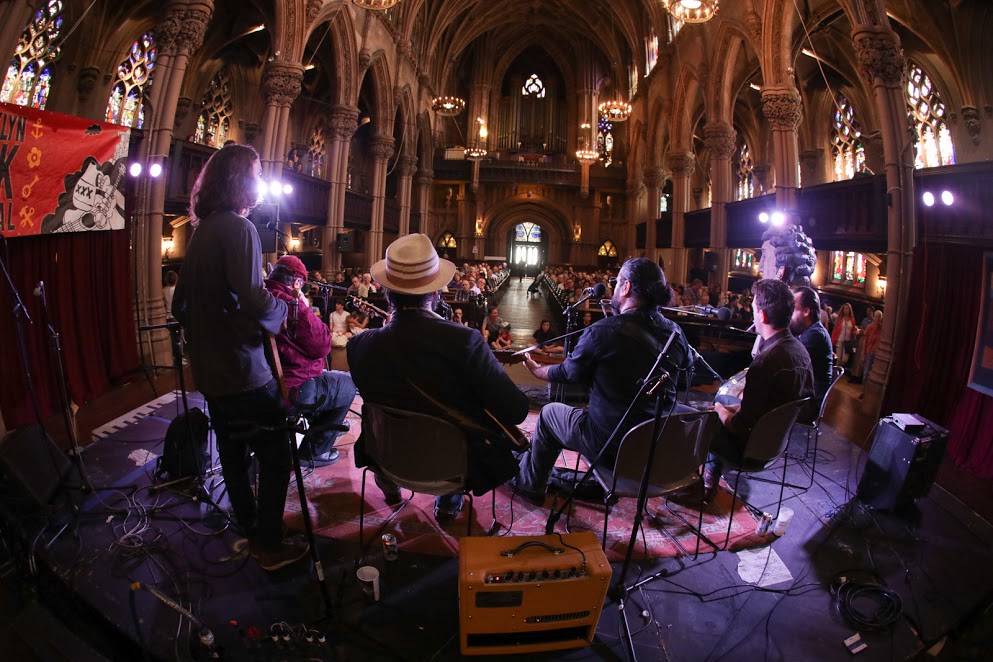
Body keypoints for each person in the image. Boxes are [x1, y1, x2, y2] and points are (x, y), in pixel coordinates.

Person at [172, 144, 308, 571]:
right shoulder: (239, 229)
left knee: (231, 452)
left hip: (210, 372)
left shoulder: (203, 229)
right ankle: (268, 544)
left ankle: (249, 526)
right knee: (275, 455)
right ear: (241, 181)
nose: (260, 180)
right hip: (243, 370)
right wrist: (281, 311)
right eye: (256, 172)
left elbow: (180, 305)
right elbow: (253, 296)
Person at [347, 234, 529, 522]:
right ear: (435, 294)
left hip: (385, 455)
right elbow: (516, 410)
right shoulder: (465, 341)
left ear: (387, 294)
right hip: (449, 466)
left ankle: (389, 485)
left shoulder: (358, 345)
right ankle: (447, 503)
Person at [514, 258, 692, 503]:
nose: (614, 288)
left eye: (617, 282)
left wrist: (537, 370)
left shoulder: (603, 331)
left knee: (549, 415)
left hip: (608, 445)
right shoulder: (676, 332)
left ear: (627, 287)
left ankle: (530, 485)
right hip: (653, 448)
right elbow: (685, 376)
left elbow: (568, 374)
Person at [705, 279, 815, 500]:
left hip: (751, 451)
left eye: (754, 308)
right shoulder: (800, 351)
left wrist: (719, 410)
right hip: (777, 444)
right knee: (727, 405)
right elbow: (779, 405)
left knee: (705, 422)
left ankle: (704, 488)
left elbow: (740, 428)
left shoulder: (765, 362)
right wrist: (735, 407)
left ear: (762, 316)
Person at [263, 255, 356, 466]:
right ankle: (316, 450)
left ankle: (315, 429)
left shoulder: (261, 297)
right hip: (290, 390)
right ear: (297, 283)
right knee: (347, 385)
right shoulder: (292, 305)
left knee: (329, 379)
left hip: (262, 387)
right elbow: (322, 346)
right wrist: (304, 306)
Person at [790, 286, 834, 421]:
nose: (789, 315)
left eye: (793, 309)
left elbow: (790, 364)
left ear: (806, 311)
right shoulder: (809, 331)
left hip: (809, 404)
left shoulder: (815, 335)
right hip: (805, 396)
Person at [861, 310, 883, 398]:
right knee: (866, 373)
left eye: (879, 317)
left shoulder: (883, 328)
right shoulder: (870, 327)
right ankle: (864, 392)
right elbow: (866, 340)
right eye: (876, 316)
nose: (877, 318)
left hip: (878, 354)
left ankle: (871, 394)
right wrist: (864, 353)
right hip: (869, 352)